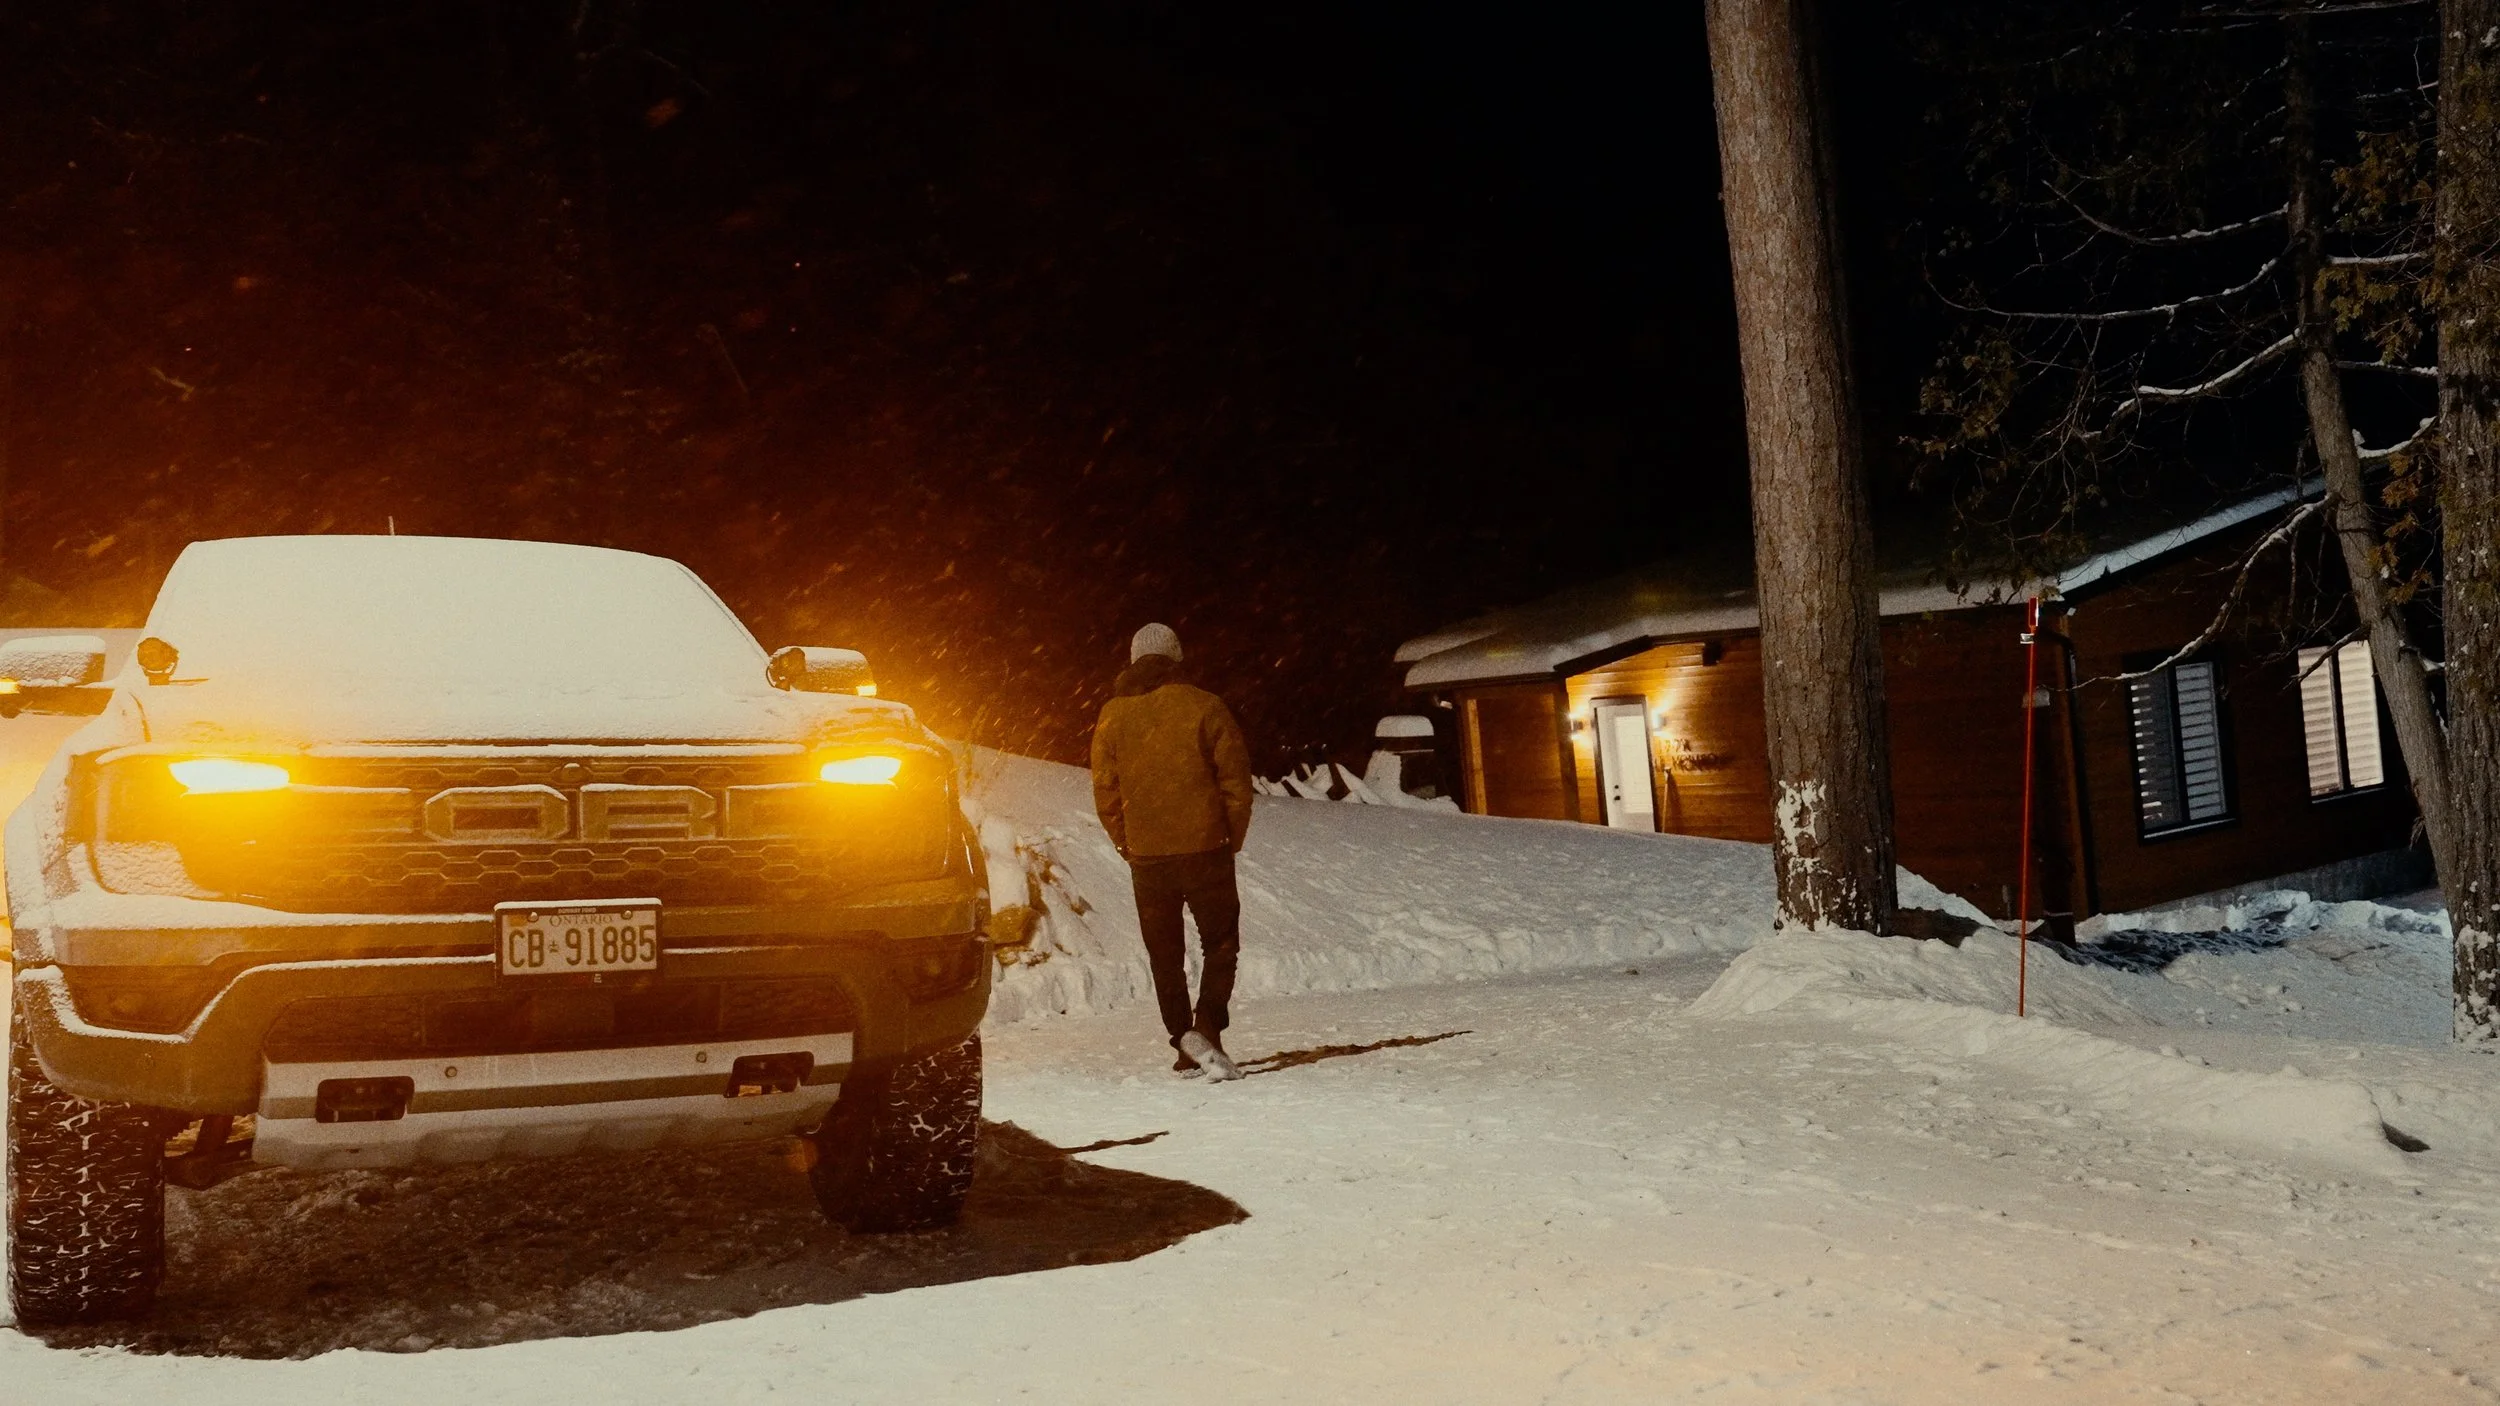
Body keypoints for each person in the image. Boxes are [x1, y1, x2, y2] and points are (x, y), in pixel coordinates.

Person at [1089, 622, 1255, 1081]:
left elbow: (1105, 790)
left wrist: (1128, 841)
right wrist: (1229, 839)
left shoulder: (1113, 715)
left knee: (1165, 955)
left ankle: (1184, 1039)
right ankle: (1207, 1028)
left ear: (1134, 662)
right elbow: (1237, 785)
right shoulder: (1206, 707)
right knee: (1220, 945)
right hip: (1206, 851)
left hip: (1148, 859)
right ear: (1177, 660)